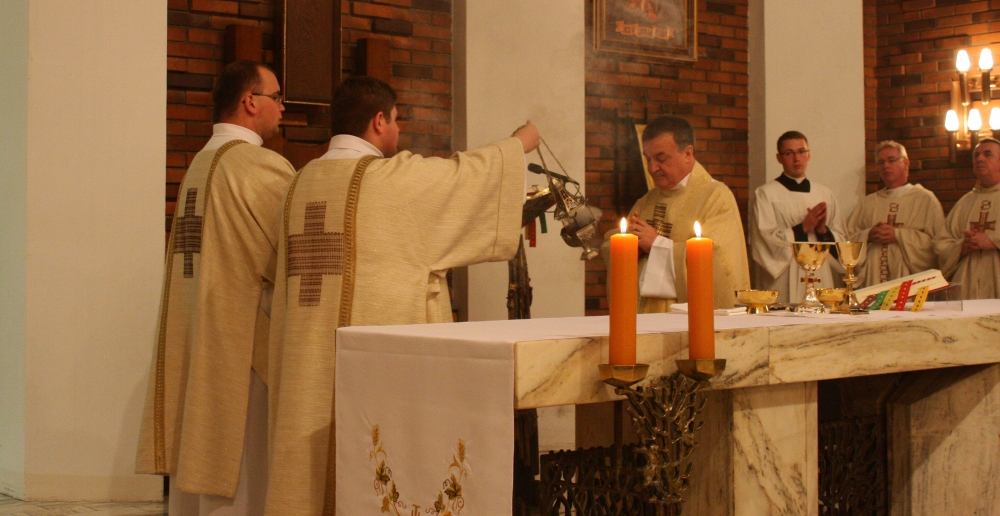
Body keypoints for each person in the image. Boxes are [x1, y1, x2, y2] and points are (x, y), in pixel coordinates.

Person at [264, 76, 539, 516]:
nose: (398, 130)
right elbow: (464, 175)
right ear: (378, 121)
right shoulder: (392, 180)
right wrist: (519, 143)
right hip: (374, 373)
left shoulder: (299, 184)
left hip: (307, 368)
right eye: (395, 120)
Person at [136, 61, 296, 516]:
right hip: (242, 344)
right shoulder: (255, 165)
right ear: (250, 102)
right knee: (244, 472)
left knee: (201, 461)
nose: (283, 107)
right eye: (276, 97)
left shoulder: (203, 161)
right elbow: (289, 253)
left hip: (200, 333)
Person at [601, 115, 750, 311]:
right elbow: (612, 247)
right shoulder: (647, 200)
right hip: (643, 314)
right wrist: (629, 246)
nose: (652, 168)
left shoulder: (715, 197)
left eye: (661, 159)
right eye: (648, 159)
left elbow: (719, 261)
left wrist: (656, 244)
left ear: (688, 153)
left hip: (689, 317)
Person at [749, 131, 846, 304]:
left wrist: (823, 231)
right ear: (779, 158)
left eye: (801, 152)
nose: (796, 159)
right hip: (784, 276)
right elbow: (763, 241)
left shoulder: (825, 194)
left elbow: (843, 242)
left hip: (820, 273)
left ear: (809, 155)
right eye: (789, 153)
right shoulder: (766, 194)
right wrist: (803, 228)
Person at [845, 141, 946, 286]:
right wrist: (868, 235)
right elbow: (847, 240)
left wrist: (898, 235)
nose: (886, 166)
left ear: (906, 163)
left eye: (891, 160)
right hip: (873, 280)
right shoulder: (868, 203)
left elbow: (939, 245)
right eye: (881, 162)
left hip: (910, 283)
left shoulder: (925, 199)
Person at [939, 138, 1000, 297]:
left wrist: (993, 241)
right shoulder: (965, 202)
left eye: (987, 154)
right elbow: (941, 244)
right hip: (966, 288)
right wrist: (961, 247)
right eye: (976, 155)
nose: (979, 159)